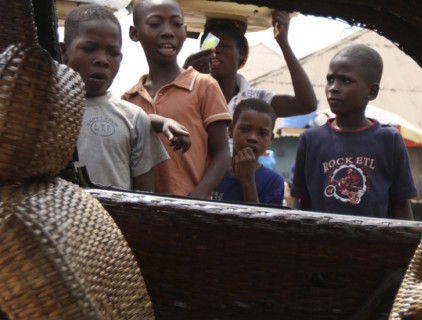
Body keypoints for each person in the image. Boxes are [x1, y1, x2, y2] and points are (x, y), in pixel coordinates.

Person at [60, 3, 190, 192]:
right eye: (89, 48)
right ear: (64, 51)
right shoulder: (42, 111)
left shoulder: (134, 119)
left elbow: (143, 198)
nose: (102, 60)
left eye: (113, 53)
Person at [291, 45, 417, 220]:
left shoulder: (389, 140)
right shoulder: (310, 140)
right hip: (322, 244)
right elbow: (303, 204)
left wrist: (411, 247)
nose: (333, 88)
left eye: (346, 81)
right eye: (330, 79)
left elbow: (401, 205)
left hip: (374, 244)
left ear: (371, 92)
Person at [123, 0, 232, 198]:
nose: (168, 32)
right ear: (134, 33)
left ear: (185, 30)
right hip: (145, 211)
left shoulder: (203, 86)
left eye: (176, 24)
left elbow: (223, 154)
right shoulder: (129, 99)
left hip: (191, 212)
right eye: (155, 24)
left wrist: (196, 198)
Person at [183, 12, 317, 117]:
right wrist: (184, 76)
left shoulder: (255, 101)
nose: (215, 50)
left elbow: (306, 104)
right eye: (210, 45)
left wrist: (283, 43)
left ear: (241, 53)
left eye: (224, 45)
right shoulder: (191, 94)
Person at [212, 99, 284, 205]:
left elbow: (260, 221)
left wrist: (247, 180)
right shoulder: (212, 171)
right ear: (231, 130)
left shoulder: (273, 181)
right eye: (245, 129)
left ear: (271, 139)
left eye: (262, 133)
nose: (253, 138)